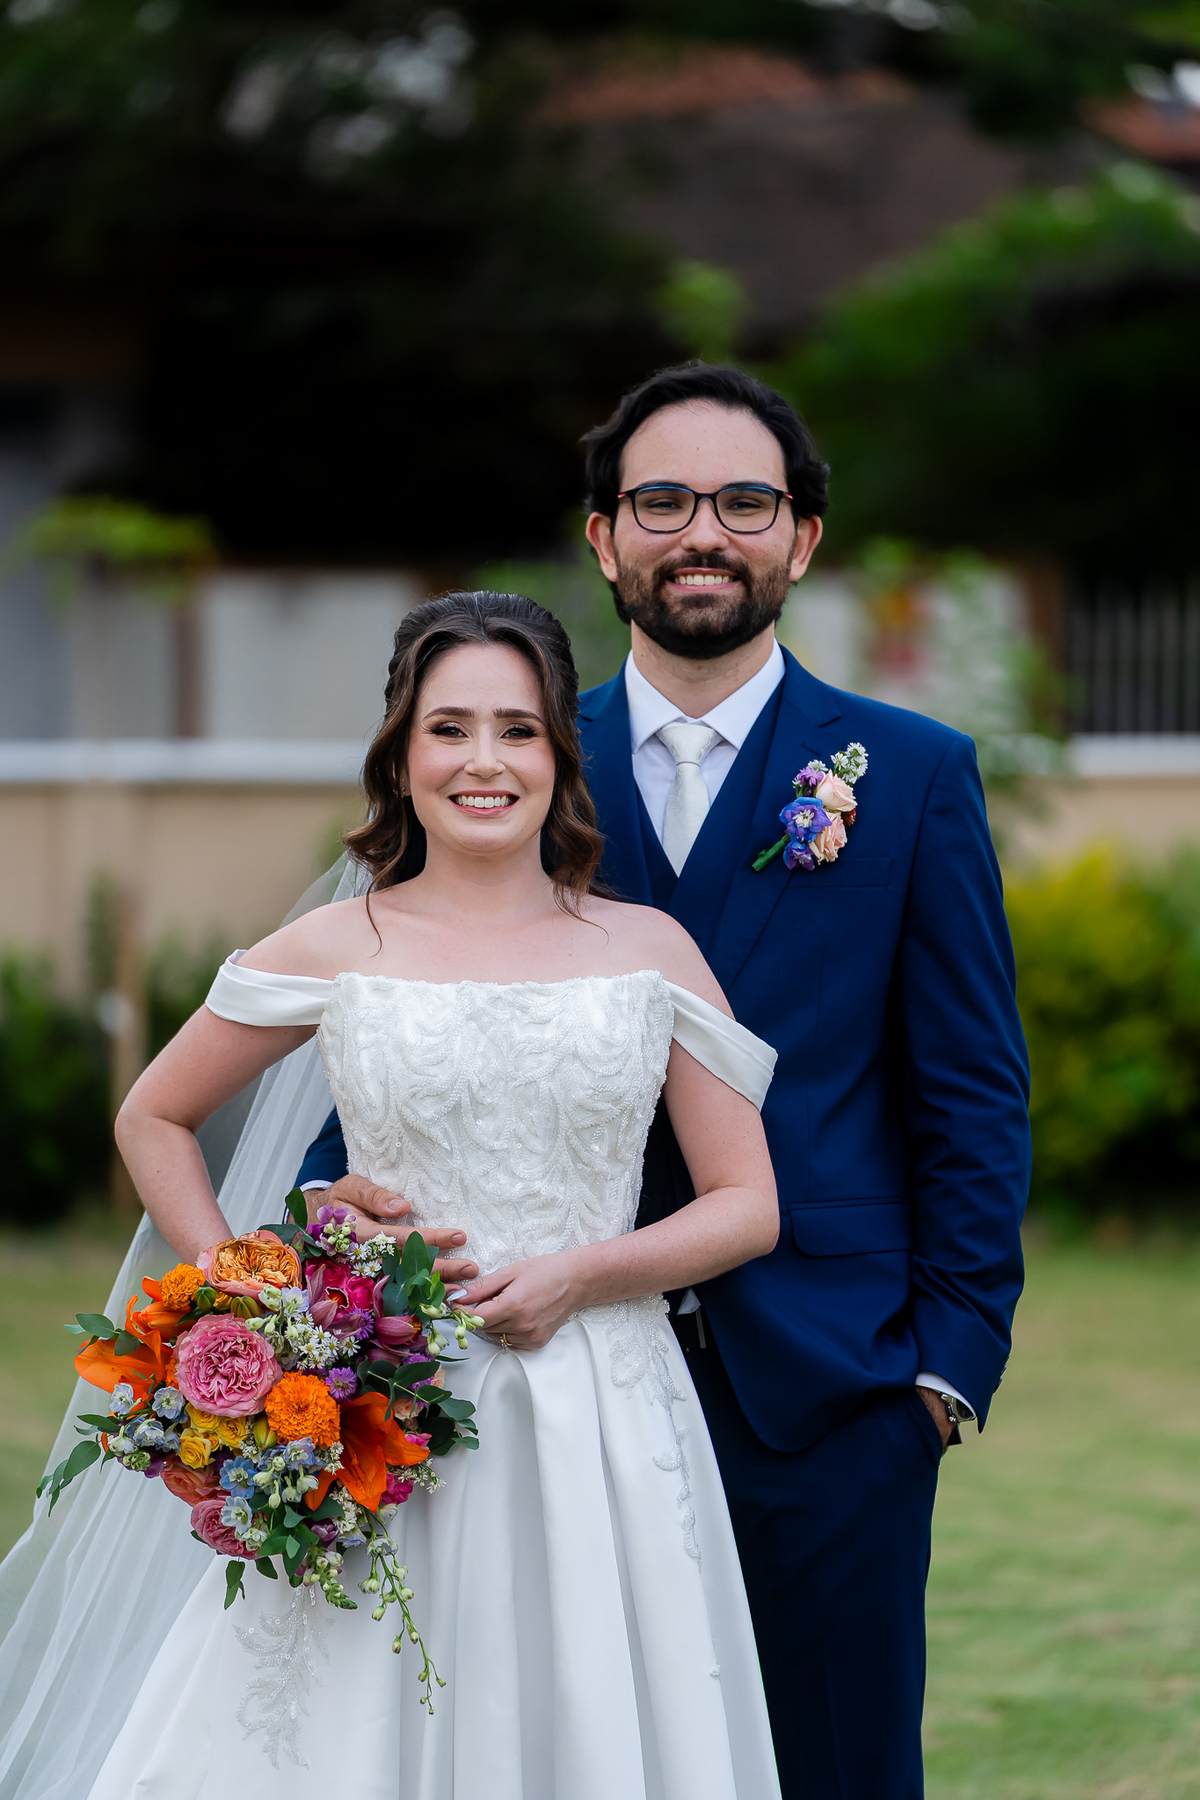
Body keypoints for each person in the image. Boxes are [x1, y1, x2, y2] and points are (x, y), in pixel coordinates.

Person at [298, 363, 1032, 1798]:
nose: (703, 532)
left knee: (837, 1769)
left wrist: (942, 1376)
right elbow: (395, 1014)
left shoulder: (913, 773)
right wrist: (337, 1204)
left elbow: (971, 1092)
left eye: (745, 502)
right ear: (603, 538)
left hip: (832, 1389)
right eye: (662, 501)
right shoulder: (507, 760)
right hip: (530, 1401)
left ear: (801, 539)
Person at [78, 591, 784, 1800]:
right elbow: (154, 1115)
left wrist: (582, 1275)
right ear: (401, 756)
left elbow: (745, 1203)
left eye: (518, 729)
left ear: (560, 755)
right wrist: (247, 1298)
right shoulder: (337, 946)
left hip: (603, 1415)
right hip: (388, 1408)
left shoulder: (649, 952)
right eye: (448, 728)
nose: (483, 762)